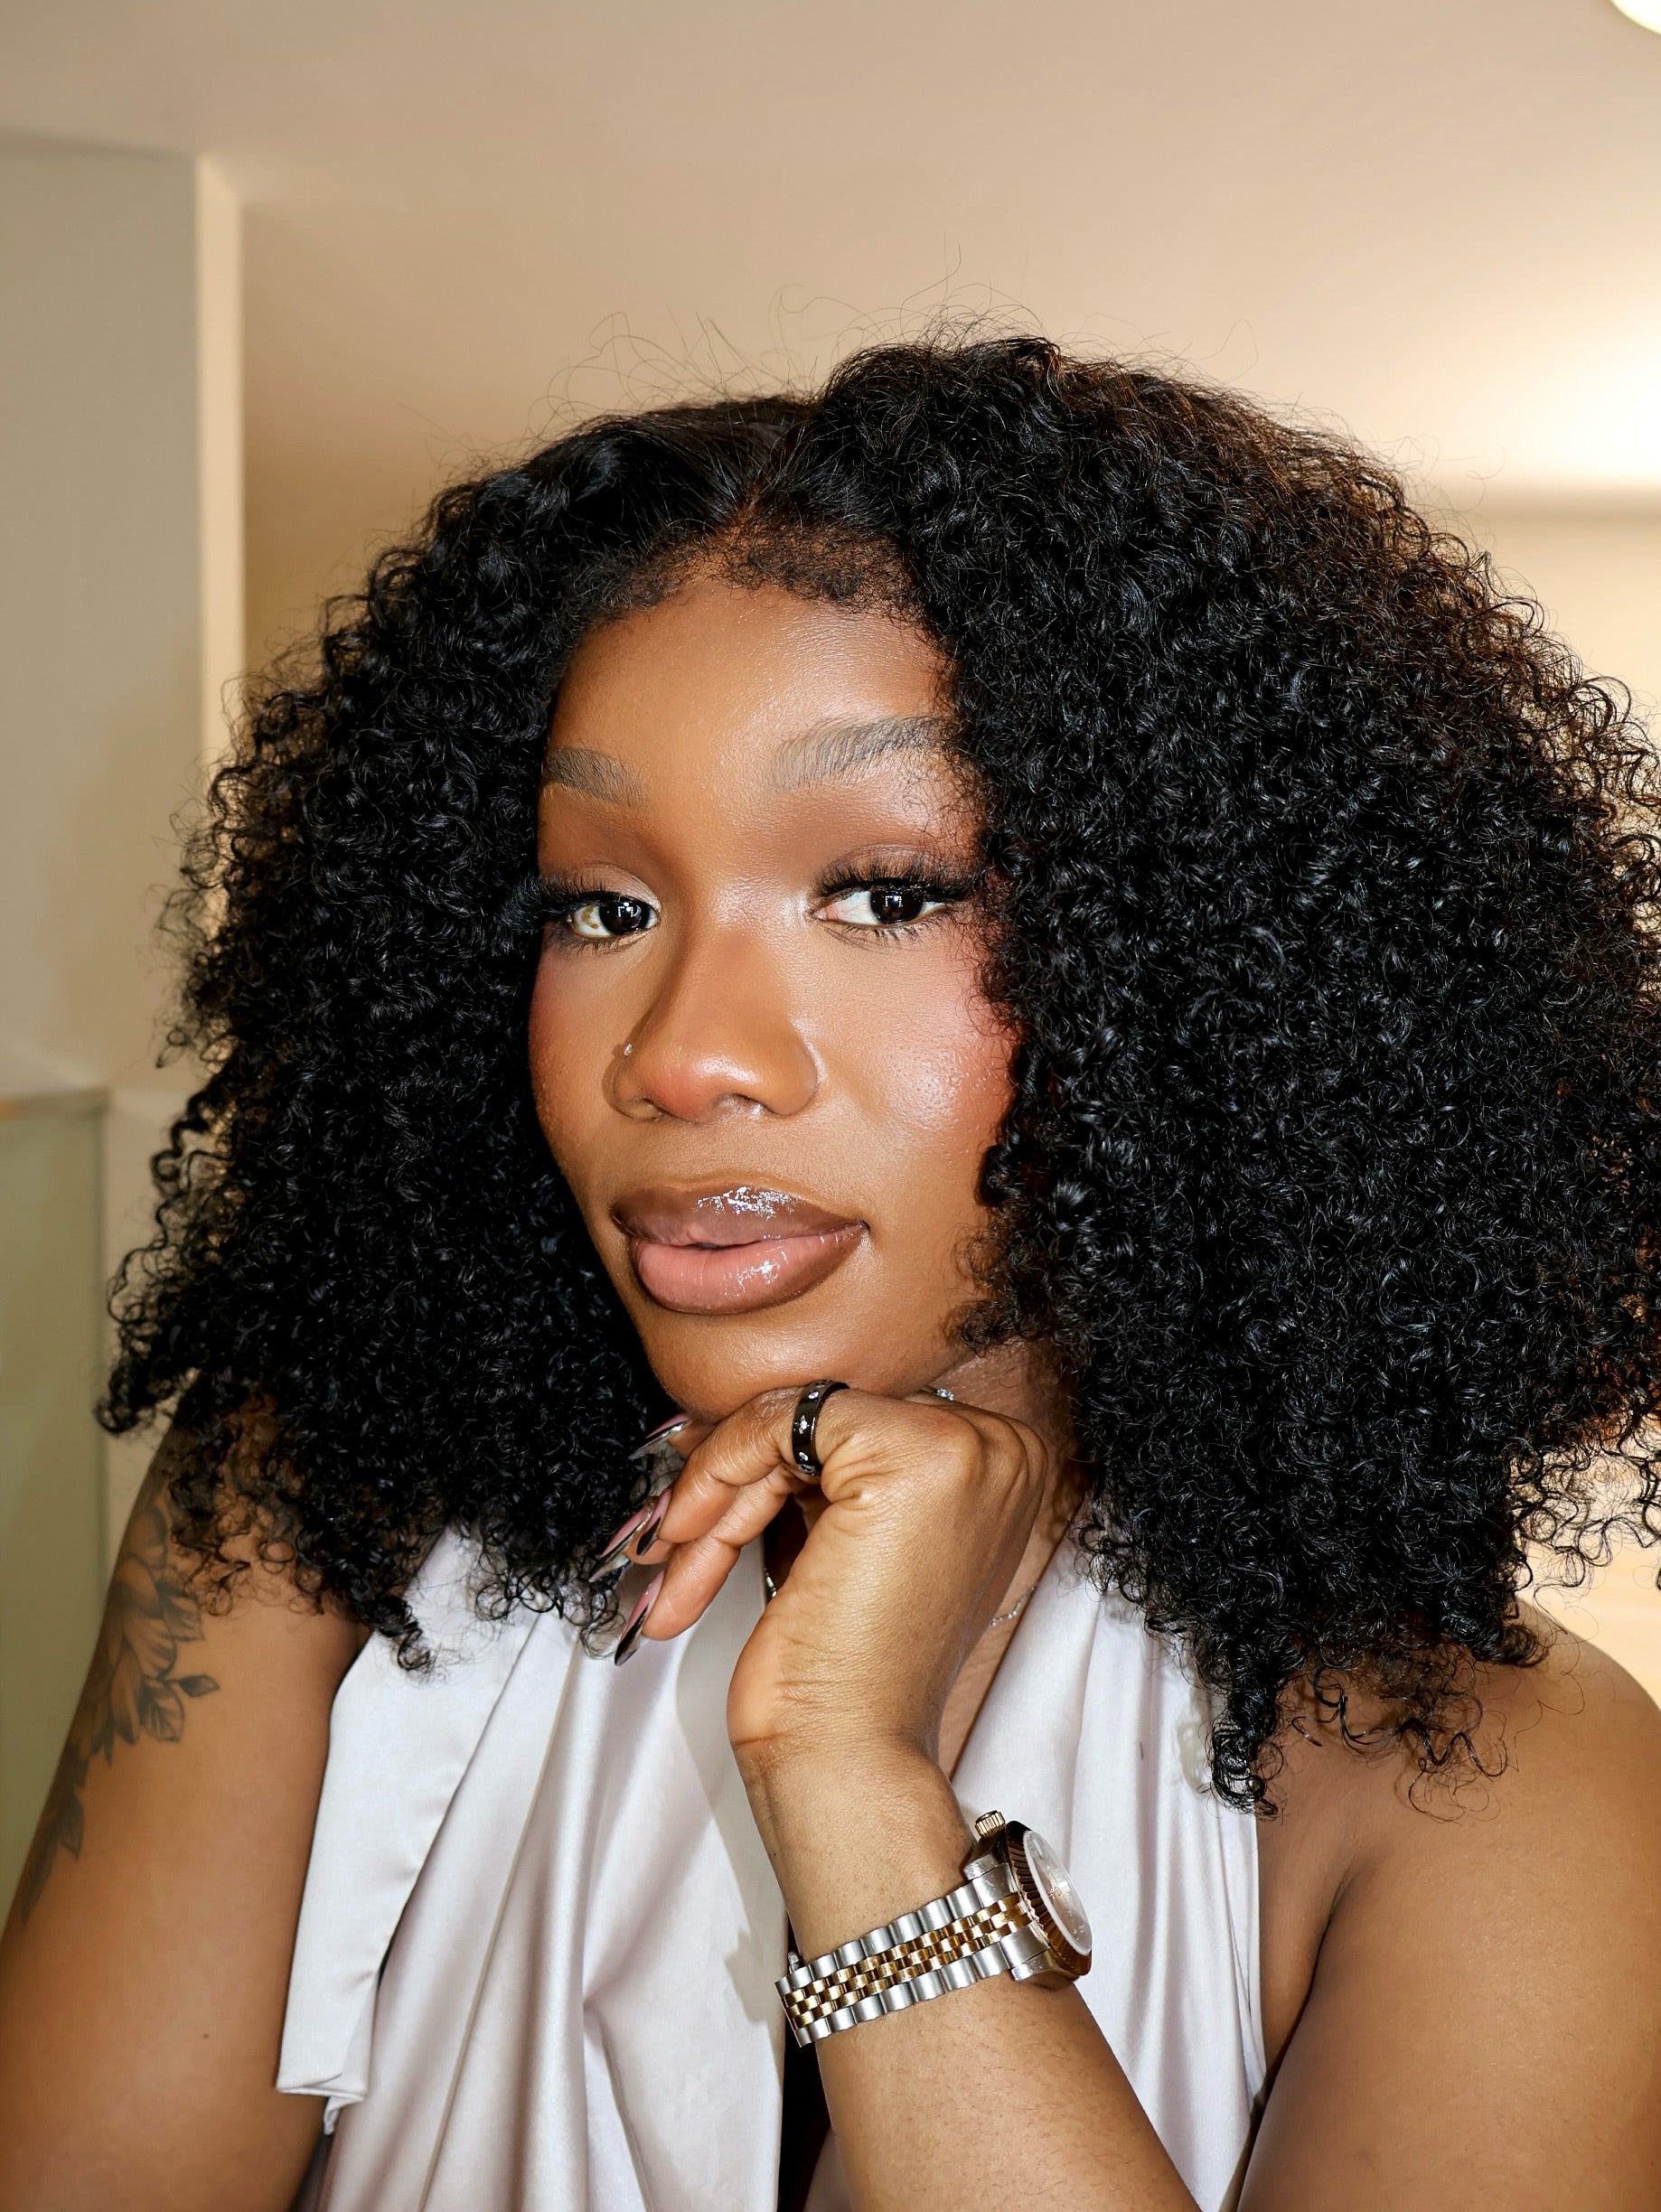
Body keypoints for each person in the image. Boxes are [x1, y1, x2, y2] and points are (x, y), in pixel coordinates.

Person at [2, 336, 1658, 2212]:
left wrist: (856, 1786)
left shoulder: (1491, 1791)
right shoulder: (320, 1511)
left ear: (1199, 969)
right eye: (600, 906)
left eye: (884, 892)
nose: (682, 1056)